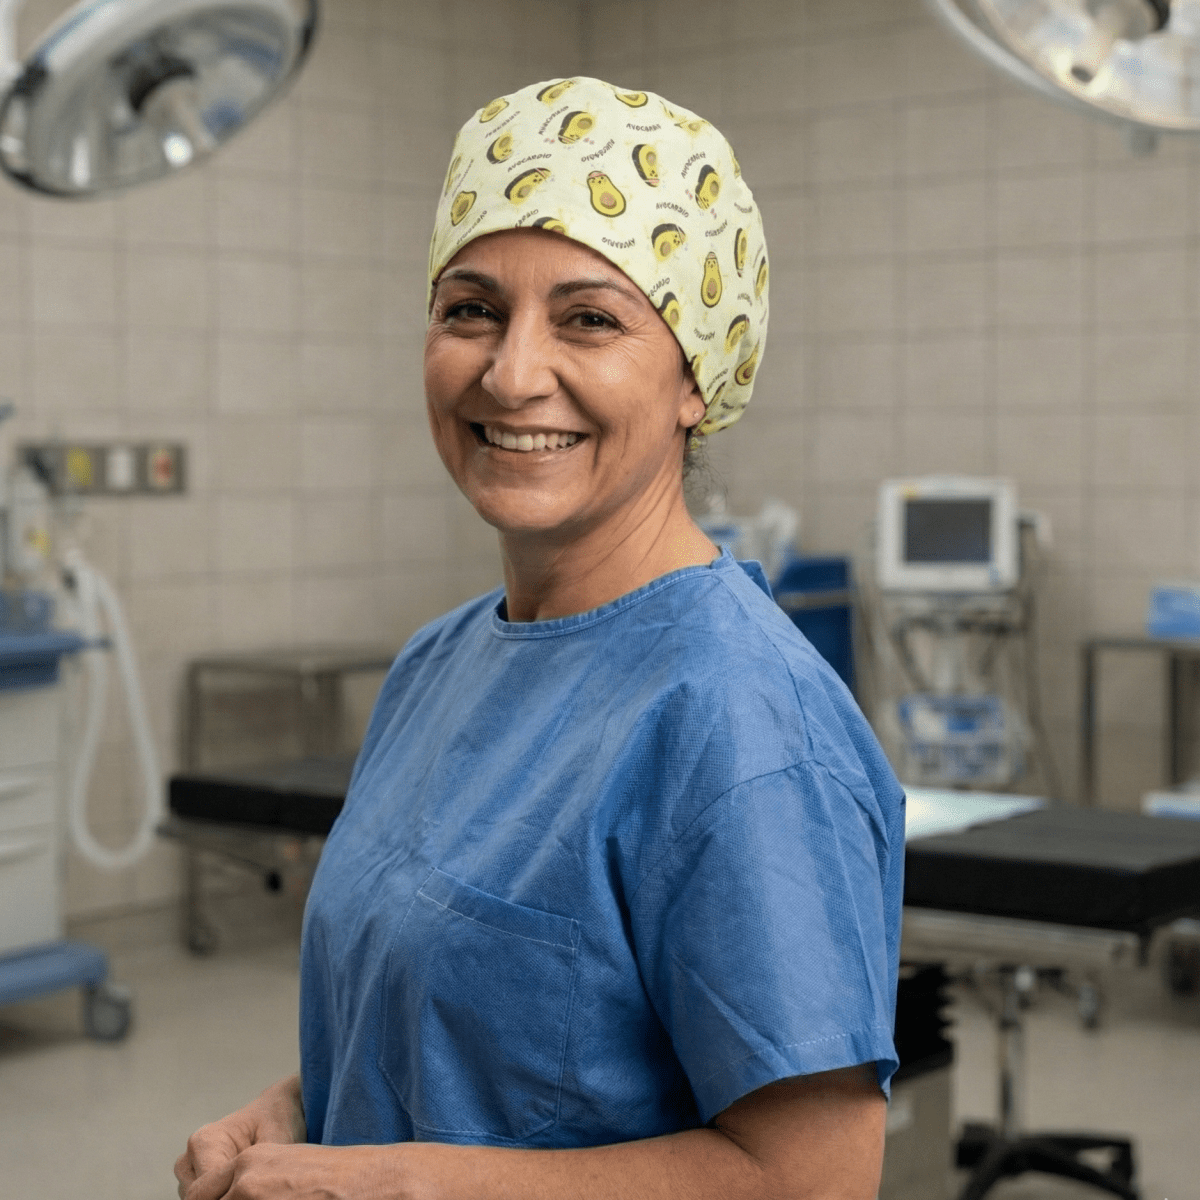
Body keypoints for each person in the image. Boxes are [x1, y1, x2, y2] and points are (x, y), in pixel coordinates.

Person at [175, 77, 906, 1200]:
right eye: (470, 309)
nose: (512, 374)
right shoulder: (438, 664)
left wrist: (405, 1186)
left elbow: (812, 1182)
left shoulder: (739, 720)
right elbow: (468, 1033)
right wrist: (294, 1116)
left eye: (590, 319)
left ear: (695, 381)